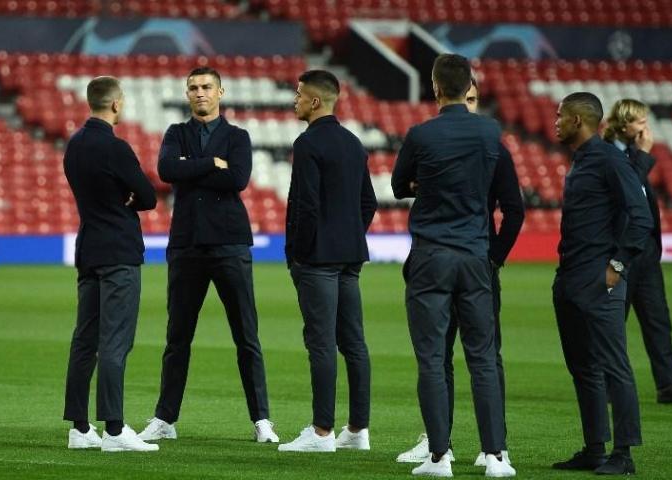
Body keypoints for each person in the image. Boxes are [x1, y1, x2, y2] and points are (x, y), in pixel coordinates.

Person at [391, 54, 516, 478]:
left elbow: (396, 185)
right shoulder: (490, 133)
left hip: (431, 257)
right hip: (476, 256)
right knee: (482, 357)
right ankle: (496, 456)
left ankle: (439, 457)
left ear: (435, 87)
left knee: (431, 359)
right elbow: (505, 198)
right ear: (468, 89)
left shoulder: (421, 135)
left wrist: (420, 184)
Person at [138, 67, 278, 444]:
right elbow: (167, 170)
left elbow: (237, 179)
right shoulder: (175, 134)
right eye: (194, 88)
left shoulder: (238, 136)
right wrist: (210, 165)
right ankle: (165, 419)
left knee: (246, 336)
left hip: (230, 243)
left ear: (221, 92)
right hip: (186, 245)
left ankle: (262, 419)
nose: (200, 93)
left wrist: (191, 170)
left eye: (206, 87)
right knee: (177, 337)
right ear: (187, 94)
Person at [551, 92, 652, 475]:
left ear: (579, 121)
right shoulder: (581, 162)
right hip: (571, 278)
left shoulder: (610, 159)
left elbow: (640, 216)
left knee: (614, 366)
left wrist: (618, 265)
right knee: (583, 368)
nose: (555, 121)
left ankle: (624, 453)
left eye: (561, 116)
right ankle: (595, 448)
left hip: (599, 279)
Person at [277, 70, 377, 453]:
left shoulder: (308, 144)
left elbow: (306, 205)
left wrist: (299, 253)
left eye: (299, 94)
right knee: (354, 343)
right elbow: (367, 203)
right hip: (350, 257)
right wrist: (348, 235)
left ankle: (321, 432)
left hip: (317, 260)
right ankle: (357, 430)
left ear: (316, 101)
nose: (295, 99)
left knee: (320, 343)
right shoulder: (354, 143)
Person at [63, 76, 159, 452]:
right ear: (116, 104)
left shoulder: (74, 146)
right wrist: (128, 199)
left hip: (88, 250)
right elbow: (149, 196)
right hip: (118, 252)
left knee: (84, 340)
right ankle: (115, 430)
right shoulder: (115, 148)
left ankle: (79, 427)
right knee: (116, 341)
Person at [603, 99, 672, 404]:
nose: (646, 128)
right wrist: (644, 153)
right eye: (640, 122)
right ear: (624, 125)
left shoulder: (632, 155)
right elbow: (628, 187)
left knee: (658, 319)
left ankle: (668, 383)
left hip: (644, 253)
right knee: (614, 321)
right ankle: (606, 386)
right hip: (621, 251)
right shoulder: (610, 156)